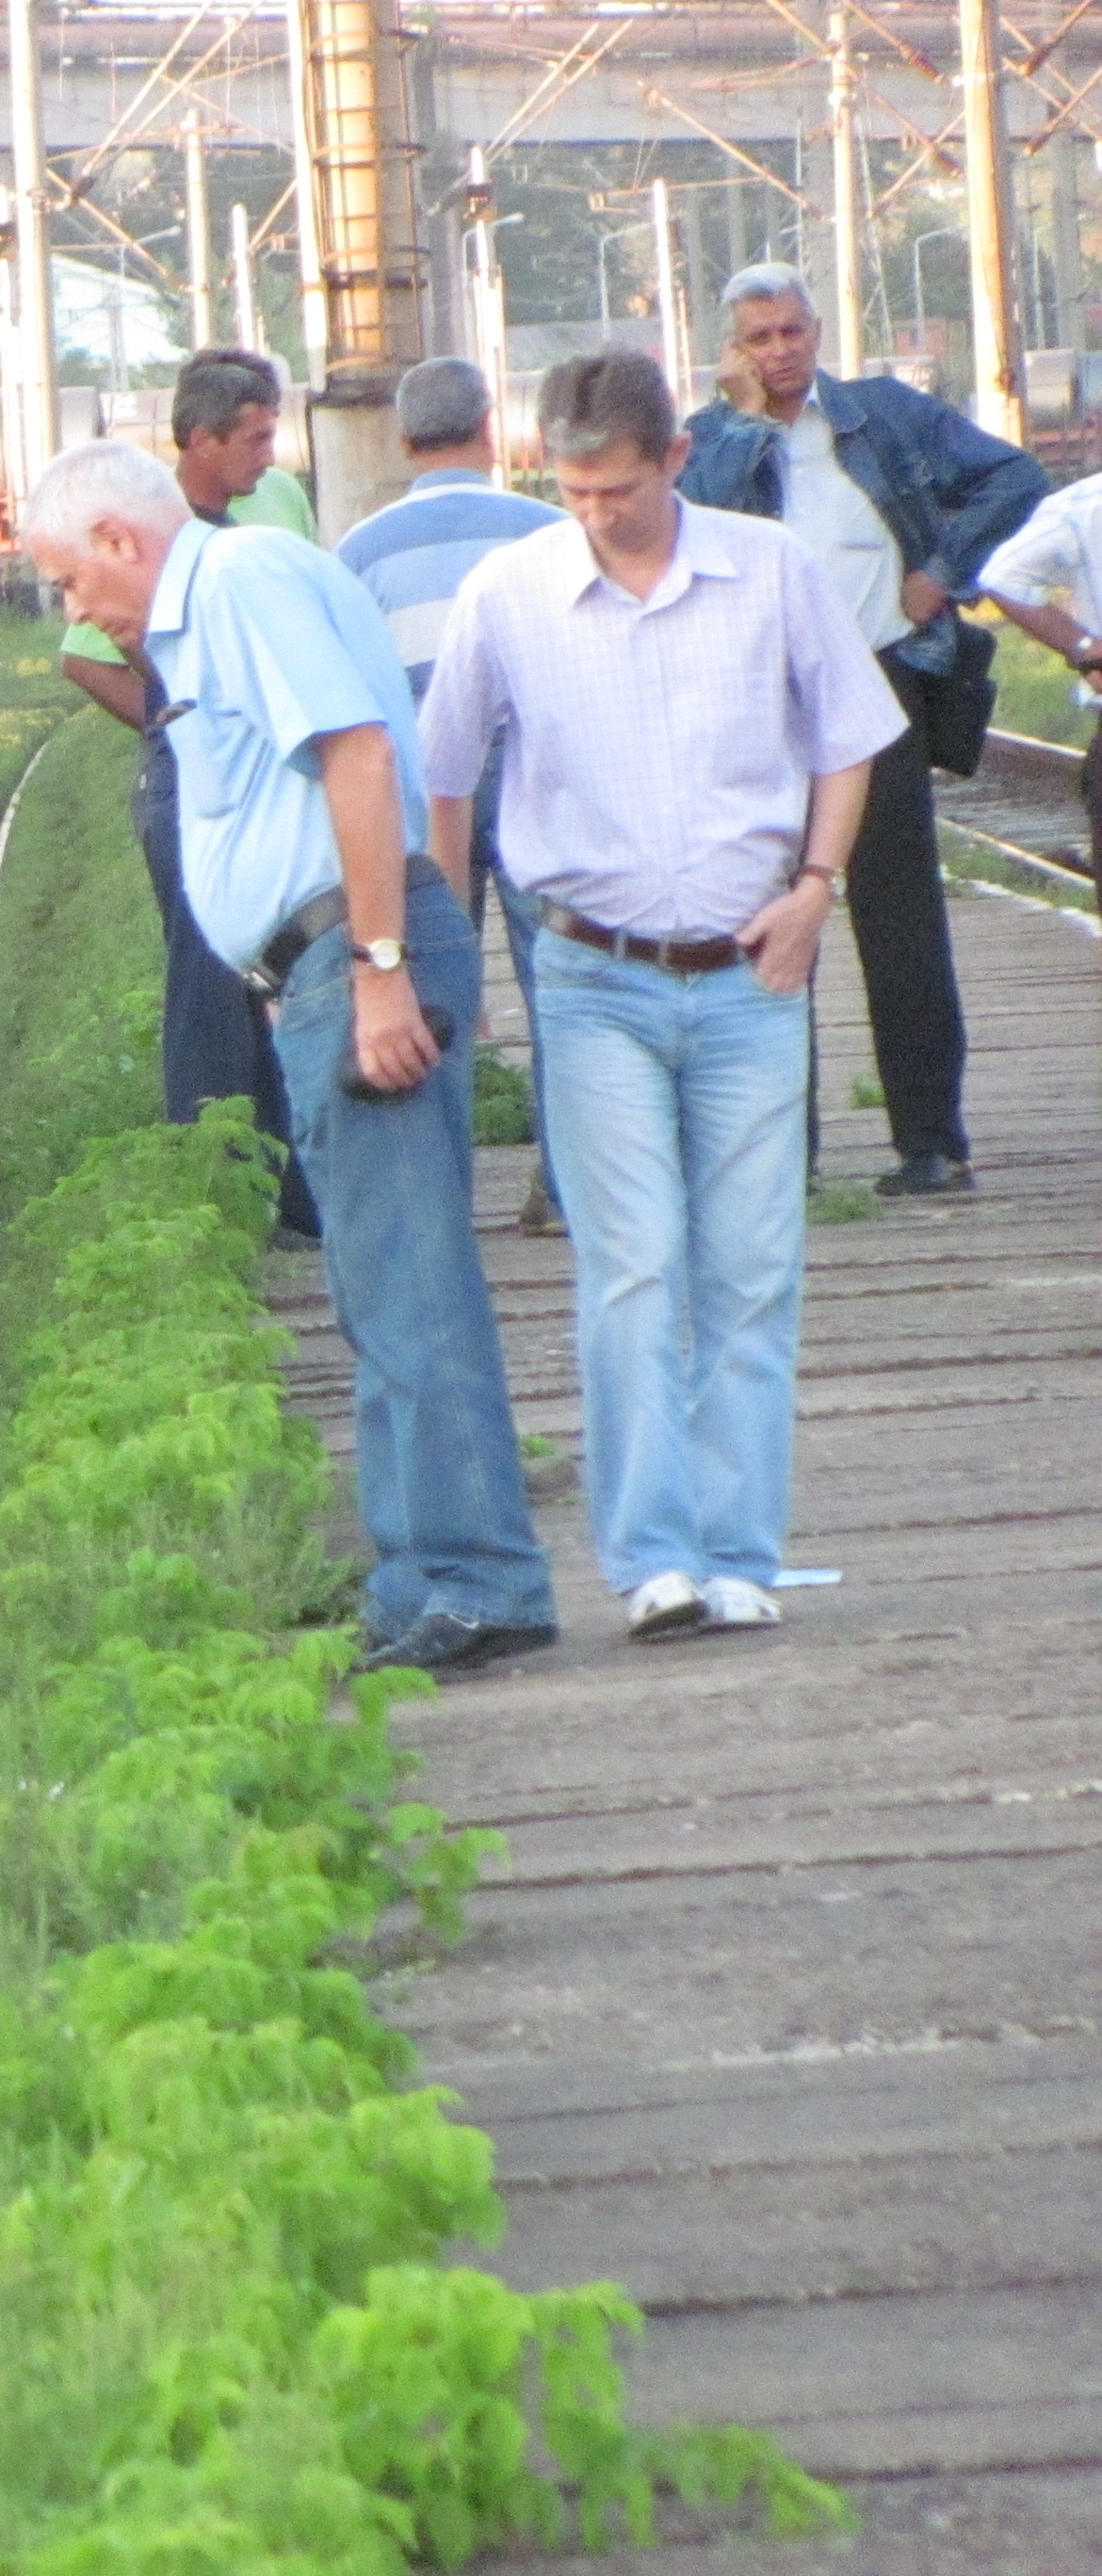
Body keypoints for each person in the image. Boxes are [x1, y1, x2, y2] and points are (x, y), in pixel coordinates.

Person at [24, 438, 556, 1676]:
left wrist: (375, 970)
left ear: (118, 541)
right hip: (321, 971)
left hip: (361, 955)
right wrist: (288, 986)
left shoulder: (246, 578)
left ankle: (480, 1578)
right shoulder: (205, 617)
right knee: (374, 1290)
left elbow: (361, 753)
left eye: (65, 580)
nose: (74, 611)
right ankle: (419, 1575)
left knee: (412, 1281)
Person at [421, 352, 899, 1644]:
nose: (593, 515)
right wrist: (440, 941)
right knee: (631, 1267)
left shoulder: (770, 570)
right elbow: (446, 769)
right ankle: (653, 1560)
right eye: (571, 491)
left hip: (753, 969)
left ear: (675, 460)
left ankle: (742, 1549)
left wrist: (817, 888)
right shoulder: (508, 592)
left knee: (752, 1268)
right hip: (588, 976)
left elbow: (851, 734)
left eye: (617, 490)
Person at [677, 263, 1045, 1197]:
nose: (780, 351)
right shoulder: (713, 437)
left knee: (899, 914)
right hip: (763, 699)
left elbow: (1015, 473)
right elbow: (696, 530)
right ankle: (778, 1153)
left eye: (791, 331)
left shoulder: (883, 413)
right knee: (762, 913)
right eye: (758, 337)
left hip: (881, 683)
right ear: (735, 348)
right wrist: (744, 419)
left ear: (816, 331)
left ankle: (929, 1142)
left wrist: (943, 572)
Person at [57, 346, 321, 1242]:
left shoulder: (276, 507)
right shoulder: (142, 533)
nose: (269, 453)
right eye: (252, 437)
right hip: (194, 772)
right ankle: (213, 1190)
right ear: (198, 442)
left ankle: (290, 1185)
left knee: (278, 971)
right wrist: (177, 721)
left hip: (274, 759)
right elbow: (80, 657)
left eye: (272, 431)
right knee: (209, 978)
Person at [333, 356, 570, 1235]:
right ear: (489, 430)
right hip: (531, 775)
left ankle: (438, 1193)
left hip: (412, 783)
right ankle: (566, 1183)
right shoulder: (547, 531)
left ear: (402, 441)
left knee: (426, 980)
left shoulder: (359, 552)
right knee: (560, 982)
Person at [965, 461, 1102, 851]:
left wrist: (1083, 648)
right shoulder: (1083, 505)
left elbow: (1004, 575)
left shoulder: (1083, 504)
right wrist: (1084, 649)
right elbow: (1003, 577)